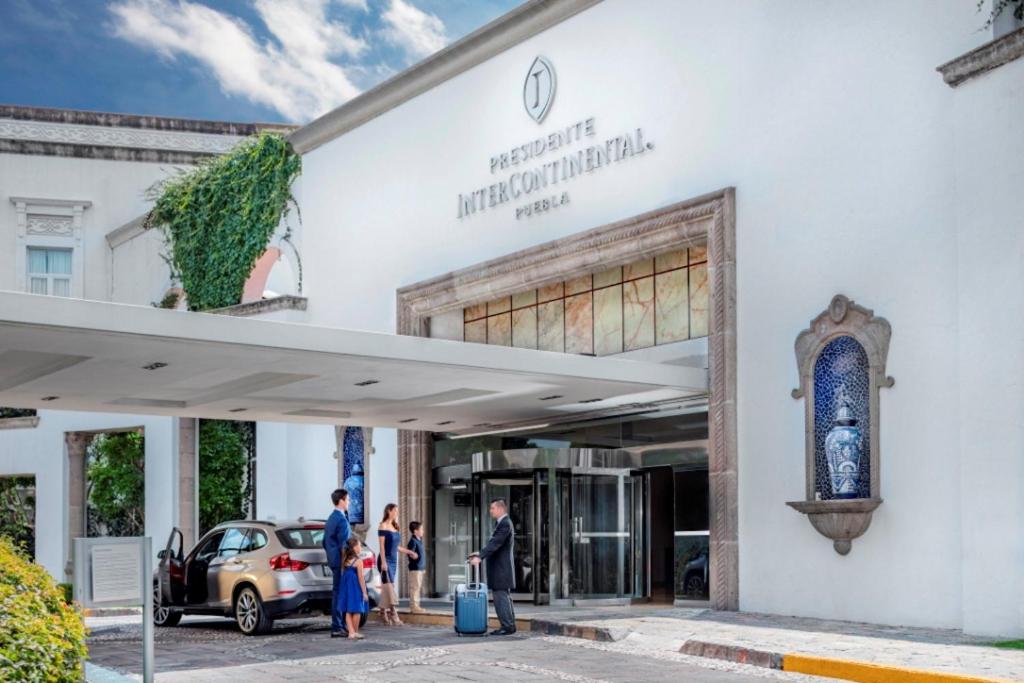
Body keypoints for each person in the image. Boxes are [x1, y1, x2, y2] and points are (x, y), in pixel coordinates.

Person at [470, 497, 516, 635]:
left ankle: (507, 626)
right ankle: (509, 625)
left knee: (501, 598)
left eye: (492, 508)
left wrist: (480, 557)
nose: (490, 511)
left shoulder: (505, 524)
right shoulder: (501, 523)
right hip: (501, 569)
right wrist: (480, 552)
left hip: (501, 569)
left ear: (501, 509)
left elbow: (496, 543)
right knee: (503, 597)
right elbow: (496, 544)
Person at [377, 503, 418, 626]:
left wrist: (409, 552)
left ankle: (382, 611)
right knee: (389, 587)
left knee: (387, 588)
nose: (397, 513)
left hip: (394, 561)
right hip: (385, 560)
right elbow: (382, 547)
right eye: (395, 511)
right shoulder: (382, 526)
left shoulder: (395, 527)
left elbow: (397, 547)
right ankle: (394, 613)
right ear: (389, 511)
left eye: (397, 511)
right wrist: (383, 562)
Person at [323, 488, 351, 638]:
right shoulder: (340, 519)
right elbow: (344, 544)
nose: (349, 502)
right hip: (341, 562)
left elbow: (324, 542)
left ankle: (341, 625)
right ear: (341, 501)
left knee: (338, 592)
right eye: (348, 500)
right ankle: (337, 626)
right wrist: (345, 563)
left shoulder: (331, 518)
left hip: (334, 560)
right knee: (340, 594)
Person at [338, 537, 369, 640]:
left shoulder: (345, 559)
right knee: (357, 609)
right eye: (359, 545)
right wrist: (364, 592)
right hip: (355, 586)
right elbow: (361, 578)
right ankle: (355, 632)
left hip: (346, 586)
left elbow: (344, 574)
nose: (361, 547)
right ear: (354, 547)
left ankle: (351, 632)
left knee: (348, 610)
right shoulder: (358, 561)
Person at [406, 521, 426, 614]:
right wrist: (413, 555)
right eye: (421, 529)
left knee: (418, 587)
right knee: (415, 587)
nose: (423, 531)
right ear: (415, 531)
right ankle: (414, 607)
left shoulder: (419, 540)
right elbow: (410, 553)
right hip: (415, 569)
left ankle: (417, 606)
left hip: (420, 568)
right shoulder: (413, 541)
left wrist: (423, 568)